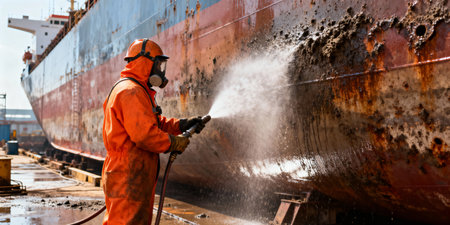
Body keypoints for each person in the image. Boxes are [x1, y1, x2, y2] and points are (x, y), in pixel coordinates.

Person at [102, 39, 204, 224]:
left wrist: (181, 125)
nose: (160, 71)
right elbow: (144, 135)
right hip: (128, 173)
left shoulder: (135, 90)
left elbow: (153, 124)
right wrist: (173, 143)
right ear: (145, 62)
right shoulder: (131, 92)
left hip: (130, 171)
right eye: (158, 64)